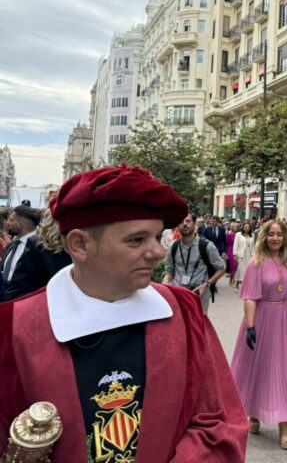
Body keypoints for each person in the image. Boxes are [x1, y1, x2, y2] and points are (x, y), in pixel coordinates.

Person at [0, 165, 247, 461]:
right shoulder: (12, 327)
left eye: (158, 237)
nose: (157, 252)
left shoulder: (184, 312)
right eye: (136, 240)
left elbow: (219, 422)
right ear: (79, 244)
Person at [230, 219, 287, 450]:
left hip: (285, 319)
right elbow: (249, 296)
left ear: (285, 238)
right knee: (258, 367)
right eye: (271, 234)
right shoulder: (255, 263)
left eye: (280, 234)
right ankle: (253, 413)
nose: (275, 238)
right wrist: (250, 327)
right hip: (260, 318)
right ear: (265, 236)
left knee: (283, 370)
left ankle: (284, 424)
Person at [162, 214, 227, 315]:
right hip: (178, 294)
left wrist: (207, 284)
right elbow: (169, 270)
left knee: (198, 328)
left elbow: (222, 268)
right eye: (181, 222)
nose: (184, 224)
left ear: (194, 224)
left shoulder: (207, 246)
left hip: (199, 296)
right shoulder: (173, 246)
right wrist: (166, 281)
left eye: (188, 221)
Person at [1, 205, 43, 301]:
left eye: (11, 220)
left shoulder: (40, 247)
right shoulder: (12, 245)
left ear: (20, 224)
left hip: (25, 301)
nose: (7, 223)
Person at [233, 220, 254, 289]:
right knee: (240, 269)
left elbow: (253, 246)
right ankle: (237, 282)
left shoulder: (252, 235)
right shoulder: (238, 234)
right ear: (243, 227)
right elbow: (235, 245)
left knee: (247, 270)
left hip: (249, 254)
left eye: (248, 227)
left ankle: (245, 285)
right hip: (241, 254)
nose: (247, 228)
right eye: (245, 227)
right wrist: (235, 254)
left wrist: (254, 255)